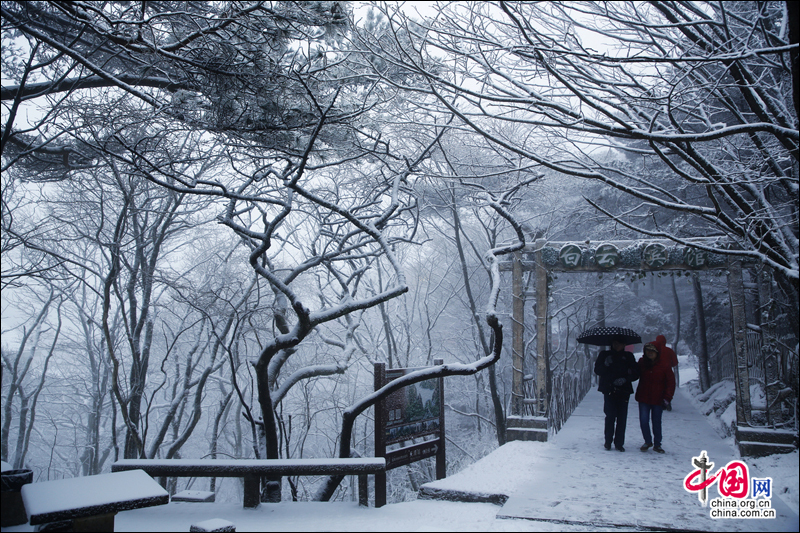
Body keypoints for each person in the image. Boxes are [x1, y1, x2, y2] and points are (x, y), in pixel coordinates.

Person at [594, 337, 640, 452]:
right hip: (609, 389)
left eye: (619, 343)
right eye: (615, 343)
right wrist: (605, 364)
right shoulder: (604, 355)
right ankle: (608, 441)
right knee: (610, 416)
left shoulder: (628, 356)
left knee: (622, 417)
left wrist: (625, 379)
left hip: (624, 390)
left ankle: (619, 443)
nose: (617, 346)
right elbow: (598, 371)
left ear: (624, 344)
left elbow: (635, 373)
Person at [636, 342, 675, 454]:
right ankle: (647, 441)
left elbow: (671, 382)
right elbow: (634, 374)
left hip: (658, 398)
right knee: (644, 420)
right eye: (648, 351)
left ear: (657, 352)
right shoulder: (642, 363)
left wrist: (667, 398)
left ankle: (657, 444)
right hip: (644, 397)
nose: (650, 353)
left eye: (652, 351)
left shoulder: (664, 365)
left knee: (656, 421)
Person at [653, 334, 679, 408]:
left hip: (656, 372)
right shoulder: (669, 351)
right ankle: (667, 401)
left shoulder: (654, 351)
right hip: (667, 372)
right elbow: (675, 362)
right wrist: (670, 364)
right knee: (667, 387)